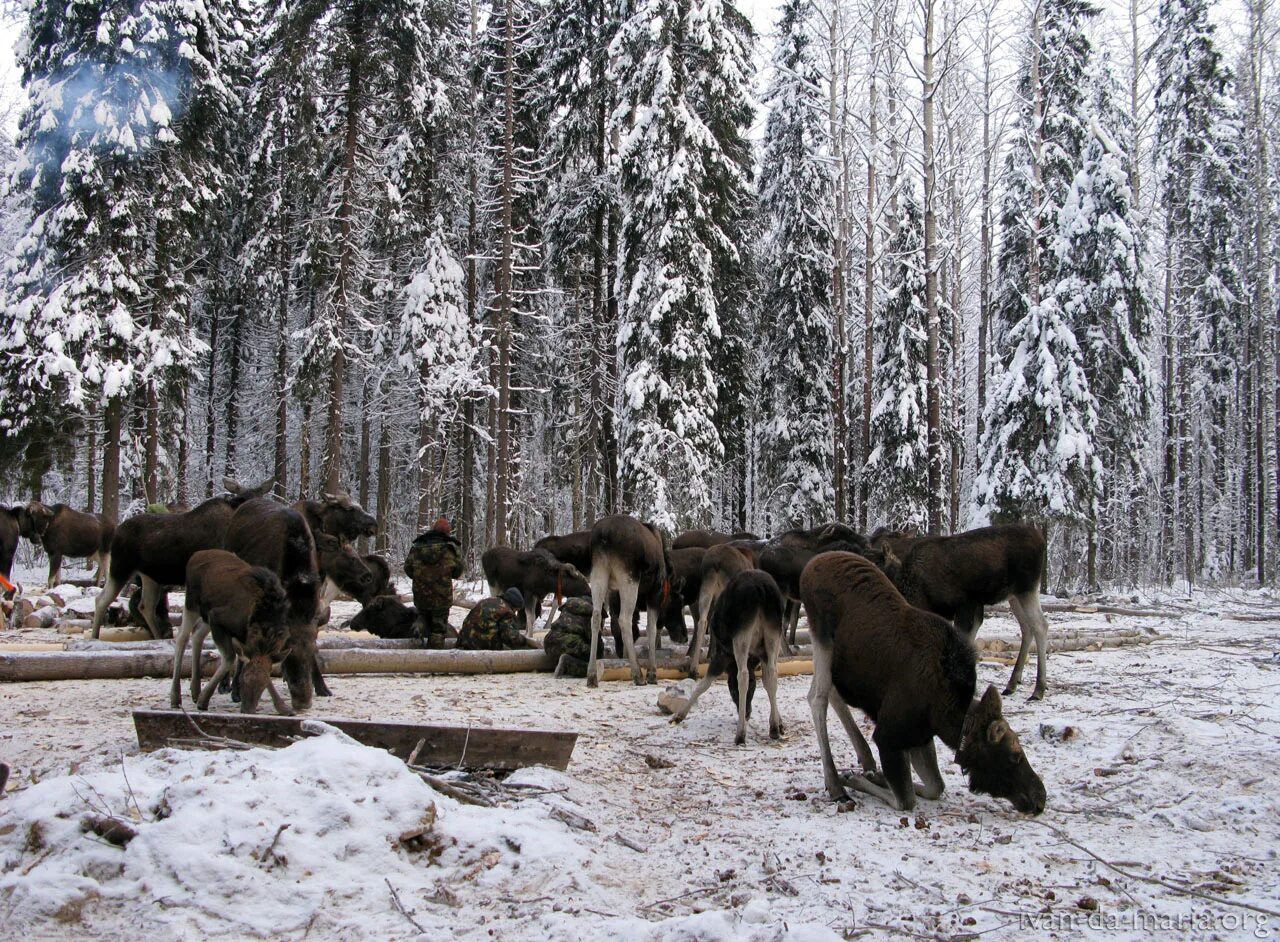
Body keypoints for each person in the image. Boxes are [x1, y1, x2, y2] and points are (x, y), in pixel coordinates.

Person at [404, 516, 463, 647]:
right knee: (438, 628)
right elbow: (458, 572)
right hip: (442, 597)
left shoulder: (417, 547)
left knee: (422, 616)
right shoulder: (451, 549)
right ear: (447, 533)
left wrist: (421, 578)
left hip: (421, 595)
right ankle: (434, 657)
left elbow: (408, 569)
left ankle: (418, 629)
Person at [456, 587, 539, 651]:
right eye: (516, 610)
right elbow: (511, 638)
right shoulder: (506, 611)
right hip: (479, 646)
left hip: (463, 641)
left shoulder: (487, 601)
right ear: (513, 605)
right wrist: (526, 642)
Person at [543, 596, 605, 678]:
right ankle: (567, 663)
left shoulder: (569, 608)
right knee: (592, 662)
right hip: (570, 642)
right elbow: (595, 642)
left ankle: (563, 662)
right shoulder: (590, 614)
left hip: (549, 641)